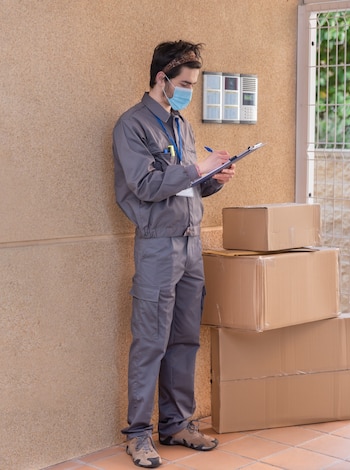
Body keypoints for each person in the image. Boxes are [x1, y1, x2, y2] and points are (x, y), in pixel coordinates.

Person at [112, 40, 235, 468]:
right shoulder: (132, 126)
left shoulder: (181, 125)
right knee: (151, 341)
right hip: (158, 246)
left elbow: (187, 184)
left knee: (184, 338)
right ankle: (138, 434)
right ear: (161, 78)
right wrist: (196, 169)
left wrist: (214, 178)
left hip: (190, 242)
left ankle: (176, 423)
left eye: (194, 85)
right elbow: (144, 187)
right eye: (184, 84)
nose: (189, 92)